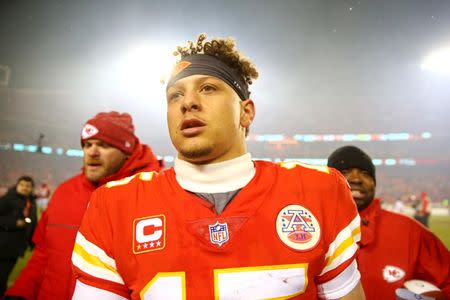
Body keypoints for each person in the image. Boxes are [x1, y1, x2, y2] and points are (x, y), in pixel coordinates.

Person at [71, 34, 365, 299]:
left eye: (208, 88)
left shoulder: (316, 191)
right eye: (175, 95)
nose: (188, 102)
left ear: (246, 112)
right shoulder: (114, 205)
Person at [5, 111, 162, 300]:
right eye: (87, 144)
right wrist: (19, 294)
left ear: (126, 152)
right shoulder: (64, 192)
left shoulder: (153, 196)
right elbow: (43, 255)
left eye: (104, 145)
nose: (92, 152)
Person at [327, 145, 450, 299]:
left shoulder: (410, 231)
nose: (356, 178)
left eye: (365, 173)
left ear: (374, 183)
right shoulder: (308, 233)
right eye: (344, 172)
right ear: (327, 182)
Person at [0, 176, 37, 296]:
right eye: (22, 185)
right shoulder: (7, 199)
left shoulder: (31, 202)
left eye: (28, 186)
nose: (25, 188)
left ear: (31, 188)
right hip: (3, 244)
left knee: (5, 274)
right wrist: (13, 223)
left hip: (16, 247)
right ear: (17, 185)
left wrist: (33, 242)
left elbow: (33, 222)